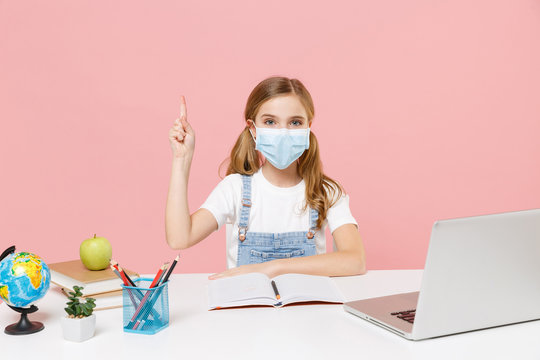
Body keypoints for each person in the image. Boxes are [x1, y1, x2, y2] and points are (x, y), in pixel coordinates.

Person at [165, 76, 366, 279]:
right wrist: (181, 159)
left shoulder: (327, 193)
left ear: (308, 128)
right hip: (246, 309)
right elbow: (180, 238)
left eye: (295, 122)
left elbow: (355, 260)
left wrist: (271, 268)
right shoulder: (235, 189)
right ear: (253, 129)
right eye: (270, 122)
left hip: (307, 310)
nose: (283, 133)